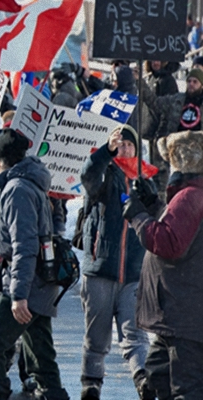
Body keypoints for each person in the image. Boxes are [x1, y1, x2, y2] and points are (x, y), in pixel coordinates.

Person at [0, 128, 69, 400]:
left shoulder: (17, 189)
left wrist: (17, 296)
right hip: (37, 283)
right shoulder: (26, 181)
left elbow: (24, 247)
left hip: (28, 285)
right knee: (41, 358)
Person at [123, 129, 203, 399]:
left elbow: (170, 243)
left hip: (183, 315)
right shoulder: (192, 194)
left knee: (184, 389)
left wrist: (138, 217)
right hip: (177, 316)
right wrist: (153, 204)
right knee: (157, 381)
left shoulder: (190, 195)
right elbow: (182, 230)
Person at [79, 125, 154, 400]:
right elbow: (87, 175)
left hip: (134, 271)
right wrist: (104, 153)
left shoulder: (145, 177)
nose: (124, 149)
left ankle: (143, 379)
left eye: (128, 145)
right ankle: (91, 383)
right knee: (96, 335)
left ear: (136, 149)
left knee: (134, 332)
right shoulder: (104, 174)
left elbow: (156, 216)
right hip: (101, 268)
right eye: (119, 144)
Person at [141, 68, 203, 199]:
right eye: (189, 81)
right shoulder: (177, 100)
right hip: (177, 156)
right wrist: (140, 83)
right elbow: (155, 103)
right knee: (173, 192)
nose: (191, 84)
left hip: (198, 159)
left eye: (195, 82)